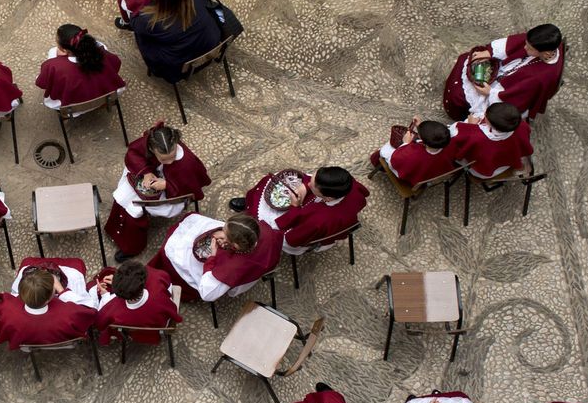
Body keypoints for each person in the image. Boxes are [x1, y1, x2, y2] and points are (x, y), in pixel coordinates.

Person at [106, 123, 211, 259]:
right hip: (151, 180)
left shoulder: (187, 162)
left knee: (134, 209)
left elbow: (191, 188)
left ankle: (132, 247)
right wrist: (146, 172)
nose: (169, 162)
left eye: (172, 157)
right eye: (164, 159)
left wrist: (168, 184)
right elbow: (134, 154)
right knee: (121, 197)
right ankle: (115, 230)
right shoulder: (148, 143)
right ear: (151, 148)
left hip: (172, 197)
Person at [129, 0, 228, 83]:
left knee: (140, 34)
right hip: (212, 45)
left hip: (177, 67)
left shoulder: (148, 20)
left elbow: (133, 21)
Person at [443, 23, 565, 122]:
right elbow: (516, 42)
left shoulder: (539, 77)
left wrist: (490, 93)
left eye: (530, 48)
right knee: (467, 59)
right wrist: (489, 53)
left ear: (547, 54)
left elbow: (519, 98)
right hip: (507, 70)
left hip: (506, 93)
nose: (524, 48)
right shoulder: (545, 40)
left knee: (457, 96)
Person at [153, 212, 282, 304]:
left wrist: (212, 258)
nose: (221, 233)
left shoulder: (231, 268)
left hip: (243, 273)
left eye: (225, 234)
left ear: (235, 245)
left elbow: (207, 294)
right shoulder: (262, 231)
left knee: (172, 255)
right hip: (263, 262)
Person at [237, 165, 368, 255]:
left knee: (265, 217)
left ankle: (251, 206)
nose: (309, 183)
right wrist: (305, 187)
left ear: (327, 198)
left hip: (308, 234)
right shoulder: (347, 183)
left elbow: (291, 240)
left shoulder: (317, 221)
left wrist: (294, 207)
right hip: (327, 216)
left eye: (312, 186)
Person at [0, 257, 97, 349]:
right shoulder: (71, 314)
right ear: (48, 299)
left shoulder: (6, 310)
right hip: (63, 339)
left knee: (27, 261)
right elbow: (91, 310)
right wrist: (61, 290)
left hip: (28, 342)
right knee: (77, 263)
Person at [36, 24, 125, 109]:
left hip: (72, 109)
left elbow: (42, 83)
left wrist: (56, 58)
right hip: (107, 98)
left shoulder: (53, 66)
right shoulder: (103, 52)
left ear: (64, 50)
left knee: (52, 51)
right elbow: (116, 64)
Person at [92, 260, 182, 345]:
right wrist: (121, 282)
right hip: (162, 324)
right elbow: (169, 289)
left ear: (119, 294)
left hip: (135, 331)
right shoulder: (157, 279)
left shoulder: (113, 309)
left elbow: (100, 321)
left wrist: (105, 295)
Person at [451, 102, 534, 180]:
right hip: (508, 162)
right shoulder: (522, 125)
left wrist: (470, 126)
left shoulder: (475, 137)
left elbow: (456, 142)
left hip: (485, 170)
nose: (484, 114)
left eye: (486, 115)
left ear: (490, 124)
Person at [369, 118, 460, 187]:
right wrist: (420, 126)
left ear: (424, 142)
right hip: (430, 174)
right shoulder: (450, 145)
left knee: (385, 150)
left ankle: (377, 163)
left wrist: (405, 143)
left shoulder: (412, 154)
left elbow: (394, 161)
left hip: (412, 177)